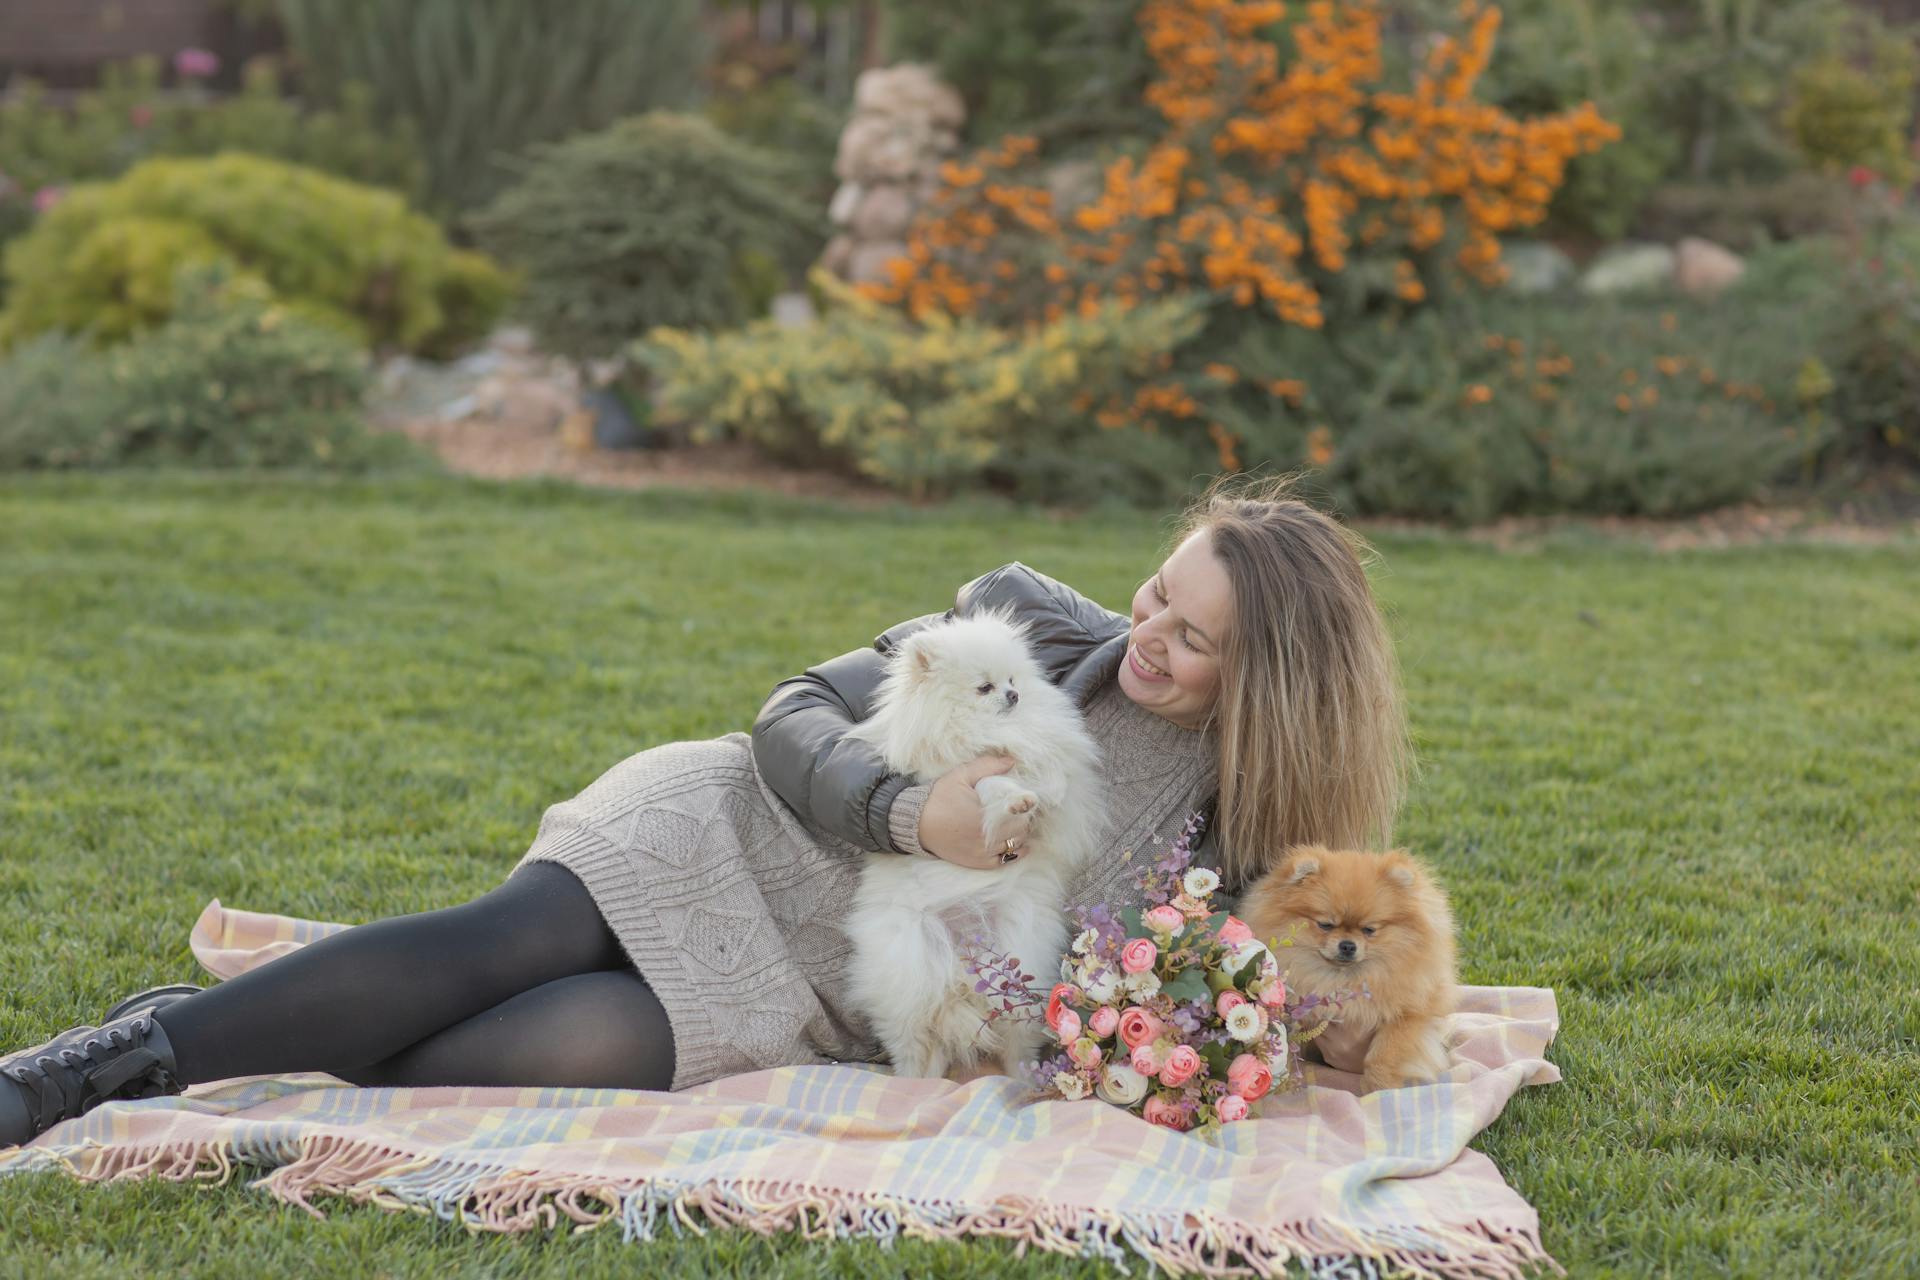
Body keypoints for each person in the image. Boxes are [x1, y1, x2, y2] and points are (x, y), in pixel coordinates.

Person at [0, 477, 1409, 1147]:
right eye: (1160, 594)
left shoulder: (1239, 841)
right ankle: (91, 1070)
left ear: (1272, 681)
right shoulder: (1027, 619)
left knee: (525, 1053)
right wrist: (915, 820)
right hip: (736, 826)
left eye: (1197, 638)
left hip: (810, 983)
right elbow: (795, 712)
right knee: (507, 933)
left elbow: (1219, 994)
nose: (1151, 634)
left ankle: (256, 1027)